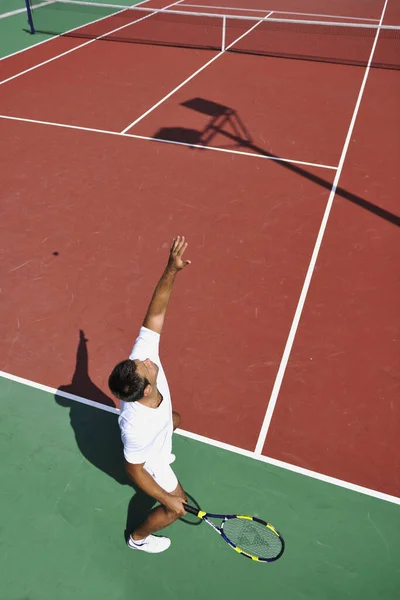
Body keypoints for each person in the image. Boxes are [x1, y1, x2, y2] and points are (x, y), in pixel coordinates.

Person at [108, 236, 191, 554]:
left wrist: (171, 269)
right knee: (176, 507)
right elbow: (134, 468)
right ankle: (137, 538)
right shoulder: (135, 427)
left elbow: (155, 314)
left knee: (175, 419)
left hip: (157, 430)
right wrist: (167, 497)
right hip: (149, 458)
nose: (144, 359)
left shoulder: (142, 363)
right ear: (145, 389)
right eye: (142, 365)